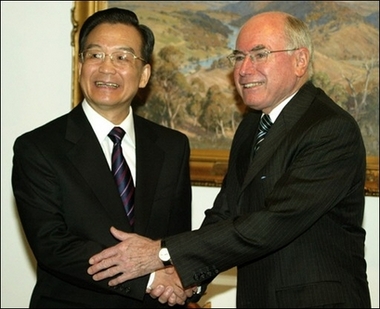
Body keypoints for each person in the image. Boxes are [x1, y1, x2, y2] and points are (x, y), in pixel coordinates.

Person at [86, 11, 372, 308]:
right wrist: (186, 278)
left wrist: (161, 253)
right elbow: (226, 212)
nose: (244, 69)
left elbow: (273, 223)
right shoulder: (252, 126)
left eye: (259, 54)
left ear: (300, 61)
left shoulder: (329, 129)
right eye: (238, 57)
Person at [12, 7, 196, 308]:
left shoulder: (172, 146)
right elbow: (53, 245)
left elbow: (177, 239)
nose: (106, 68)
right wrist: (150, 280)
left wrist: (184, 279)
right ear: (81, 64)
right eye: (95, 55)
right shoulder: (39, 148)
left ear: (144, 74)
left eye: (122, 57)